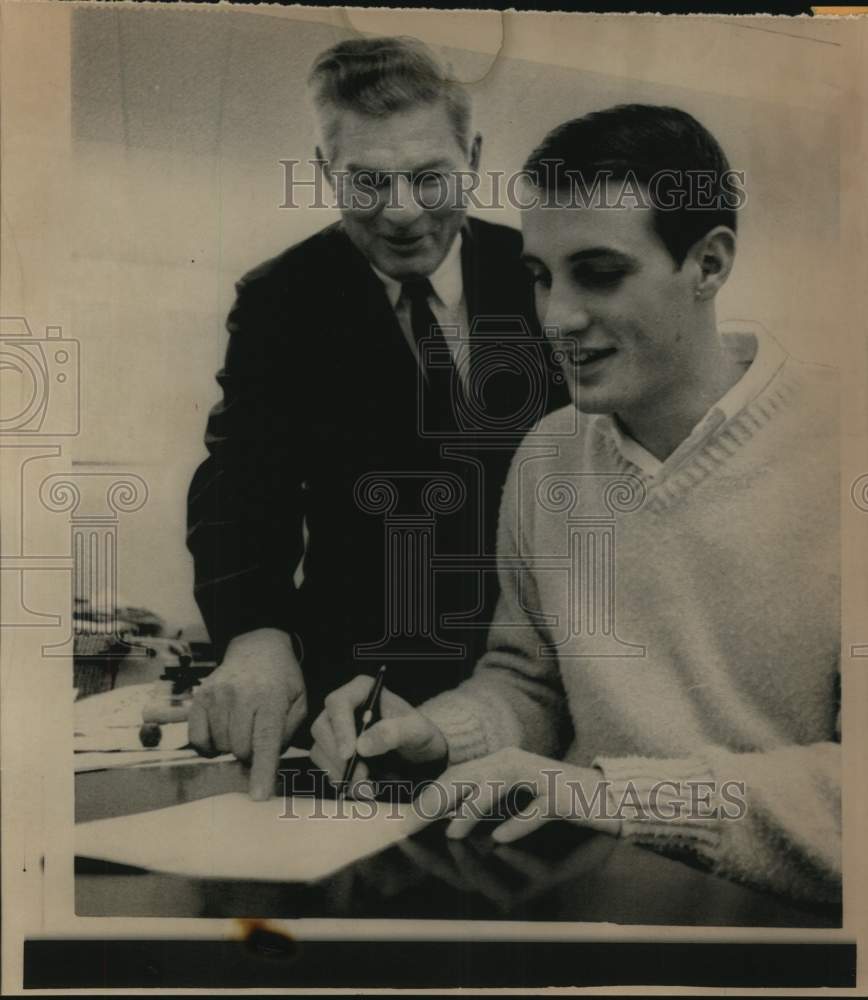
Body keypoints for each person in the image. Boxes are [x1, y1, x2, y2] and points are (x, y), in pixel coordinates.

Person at [311, 104, 841, 903]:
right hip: (595, 908)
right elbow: (532, 685)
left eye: (599, 272)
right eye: (540, 277)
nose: (556, 318)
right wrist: (437, 734)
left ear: (708, 264)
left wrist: (616, 797)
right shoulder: (549, 456)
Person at [186, 37, 567, 798]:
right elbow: (238, 480)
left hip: (542, 685)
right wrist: (256, 630)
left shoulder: (544, 272)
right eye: (366, 182)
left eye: (430, 178)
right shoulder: (280, 299)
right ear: (326, 171)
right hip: (360, 696)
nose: (401, 214)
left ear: (475, 157)